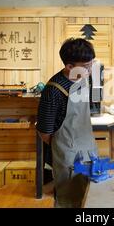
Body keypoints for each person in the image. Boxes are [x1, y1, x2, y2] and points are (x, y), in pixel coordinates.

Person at [36, 38, 98, 208]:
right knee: (69, 201)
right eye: (85, 67)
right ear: (69, 66)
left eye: (91, 64)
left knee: (91, 197)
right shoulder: (53, 91)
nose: (90, 70)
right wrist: (64, 146)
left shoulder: (82, 80)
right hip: (68, 155)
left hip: (88, 148)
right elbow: (44, 131)